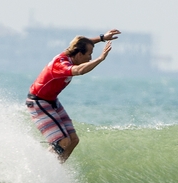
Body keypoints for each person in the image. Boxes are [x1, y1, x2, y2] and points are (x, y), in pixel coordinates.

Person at [26, 29, 121, 162]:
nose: (90, 58)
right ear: (79, 54)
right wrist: (100, 59)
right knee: (63, 141)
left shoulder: (71, 53)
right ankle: (42, 165)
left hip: (52, 100)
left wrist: (102, 38)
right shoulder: (60, 64)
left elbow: (80, 44)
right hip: (38, 102)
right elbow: (79, 71)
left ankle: (57, 168)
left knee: (73, 140)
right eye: (89, 54)